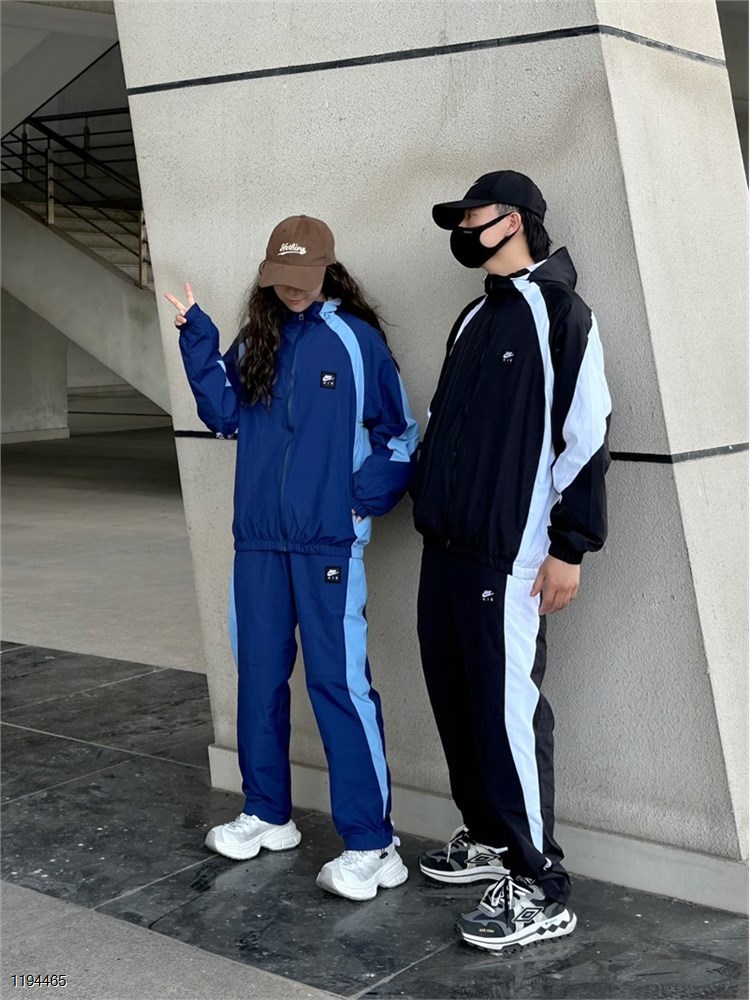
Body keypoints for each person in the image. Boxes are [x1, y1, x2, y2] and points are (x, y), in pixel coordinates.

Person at [167, 215, 419, 901]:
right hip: (258, 542)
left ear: (327, 271)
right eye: (281, 279)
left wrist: (357, 502)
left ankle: (373, 844)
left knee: (338, 686)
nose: (292, 290)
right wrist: (197, 340)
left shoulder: (356, 340)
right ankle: (267, 813)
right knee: (258, 678)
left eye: (303, 278)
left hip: (327, 543)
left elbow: (400, 435)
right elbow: (224, 414)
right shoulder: (259, 337)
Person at [410, 171, 611, 949]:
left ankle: (540, 885)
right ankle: (491, 839)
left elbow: (586, 436)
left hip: (510, 558)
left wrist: (570, 548)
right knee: (458, 706)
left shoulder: (560, 312)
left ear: (517, 220)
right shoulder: (474, 315)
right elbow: (443, 422)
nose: (463, 230)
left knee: (507, 715)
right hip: (445, 550)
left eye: (475, 217)